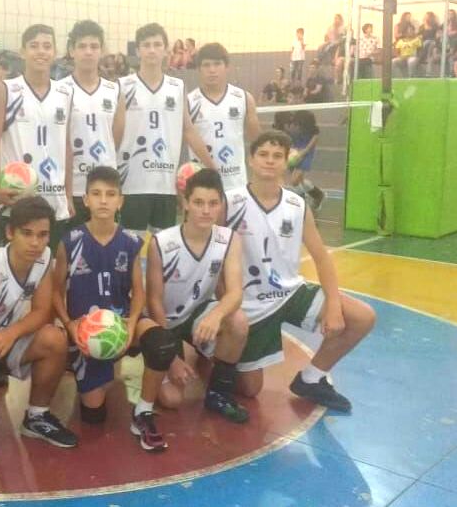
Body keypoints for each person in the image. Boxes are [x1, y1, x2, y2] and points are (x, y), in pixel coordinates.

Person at [225, 131, 376, 411]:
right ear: (251, 159)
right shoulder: (230, 202)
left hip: (290, 293)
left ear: (286, 162)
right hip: (249, 305)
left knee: (362, 317)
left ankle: (312, 378)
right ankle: (215, 355)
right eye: (263, 155)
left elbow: (321, 257)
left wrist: (332, 304)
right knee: (249, 391)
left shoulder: (296, 205)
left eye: (277, 156)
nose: (270, 161)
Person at [0, 197, 77, 450]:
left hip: (1, 343)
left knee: (54, 338)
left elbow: (42, 311)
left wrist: (10, 334)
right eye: (27, 233)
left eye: (43, 235)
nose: (35, 243)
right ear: (9, 232)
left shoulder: (44, 258)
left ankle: (37, 417)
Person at [50, 167, 161, 446]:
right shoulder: (70, 241)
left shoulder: (132, 242)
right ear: (85, 199)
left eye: (110, 194)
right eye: (96, 194)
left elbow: (139, 291)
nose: (103, 200)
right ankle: (78, 363)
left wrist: (132, 323)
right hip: (87, 334)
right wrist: (69, 324)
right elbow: (55, 291)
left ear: (120, 201)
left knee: (160, 341)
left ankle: (144, 410)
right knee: (94, 415)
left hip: (123, 323)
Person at [142, 168, 250, 443]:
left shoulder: (229, 239)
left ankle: (218, 392)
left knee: (237, 321)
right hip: (163, 324)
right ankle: (172, 359)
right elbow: (153, 301)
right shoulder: (162, 243)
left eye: (213, 203)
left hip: (197, 315)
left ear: (221, 205)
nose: (206, 210)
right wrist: (171, 357)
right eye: (199, 202)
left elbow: (235, 292)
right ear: (185, 202)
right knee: (172, 399)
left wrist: (216, 315)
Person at [119, 23, 212, 237]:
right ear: (137, 50)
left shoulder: (177, 86)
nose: (152, 49)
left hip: (166, 184)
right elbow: (113, 134)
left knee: (163, 251)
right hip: (133, 184)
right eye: (146, 45)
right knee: (133, 252)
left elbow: (188, 130)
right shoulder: (123, 86)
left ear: (165, 49)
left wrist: (211, 167)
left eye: (157, 44)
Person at [0, 24, 74, 252]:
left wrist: (69, 195)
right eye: (34, 46)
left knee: (52, 274)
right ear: (23, 51)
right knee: (8, 276)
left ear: (54, 52)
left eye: (47, 46)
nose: (41, 52)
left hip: (54, 201)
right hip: (17, 200)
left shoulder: (65, 93)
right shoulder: (6, 90)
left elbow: (66, 146)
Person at [59, 20, 123, 228]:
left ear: (102, 50)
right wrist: (66, 192)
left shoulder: (114, 91)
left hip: (105, 190)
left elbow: (116, 137)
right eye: (82, 46)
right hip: (74, 189)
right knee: (69, 256)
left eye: (94, 47)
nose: (88, 52)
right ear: (71, 50)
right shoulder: (59, 90)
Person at [187, 42, 262, 191]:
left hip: (236, 184)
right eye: (206, 65)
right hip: (202, 184)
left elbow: (257, 141)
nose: (212, 70)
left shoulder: (244, 98)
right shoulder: (188, 102)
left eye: (217, 64)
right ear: (199, 69)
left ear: (227, 67)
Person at [285, 110, 325, 210]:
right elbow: (290, 139)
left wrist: (300, 155)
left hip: (306, 154)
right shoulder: (295, 127)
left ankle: (301, 205)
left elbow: (309, 147)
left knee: (294, 181)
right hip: (294, 152)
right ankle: (318, 194)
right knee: (300, 181)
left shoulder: (314, 131)